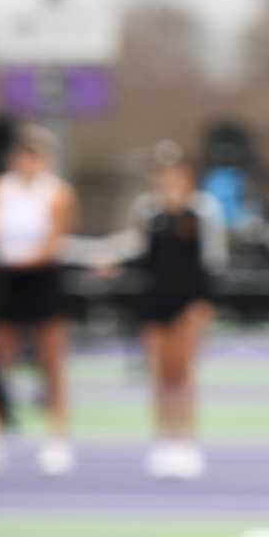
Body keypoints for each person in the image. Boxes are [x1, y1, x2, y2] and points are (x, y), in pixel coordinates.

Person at [96, 146, 228, 479]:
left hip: (188, 303)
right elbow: (141, 253)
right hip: (155, 301)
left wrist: (202, 303)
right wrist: (116, 264)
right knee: (159, 374)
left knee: (182, 374)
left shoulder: (203, 212)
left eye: (175, 171)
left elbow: (212, 262)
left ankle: (186, 442)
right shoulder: (147, 211)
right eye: (162, 172)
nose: (169, 178)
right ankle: (163, 442)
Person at [0, 125, 76, 476]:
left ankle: (57, 441)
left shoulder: (58, 193)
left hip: (41, 281)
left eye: (35, 154)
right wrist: (4, 256)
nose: (27, 161)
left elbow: (55, 239)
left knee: (51, 363)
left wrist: (27, 258)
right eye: (22, 154)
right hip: (6, 281)